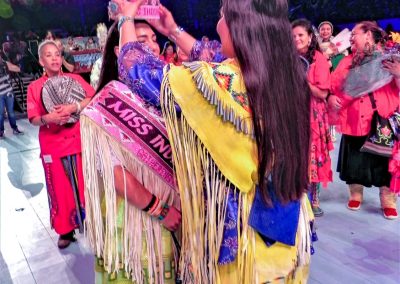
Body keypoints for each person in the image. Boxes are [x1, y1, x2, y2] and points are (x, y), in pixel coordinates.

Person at [114, 0, 314, 282]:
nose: (218, 23)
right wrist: (172, 30)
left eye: (222, 15)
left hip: (243, 233)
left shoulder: (215, 83)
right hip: (288, 214)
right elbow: (212, 54)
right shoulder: (289, 72)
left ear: (239, 27)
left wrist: (126, 19)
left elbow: (138, 74)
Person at [81, 9, 225, 281]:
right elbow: (114, 172)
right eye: (139, 38)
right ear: (119, 50)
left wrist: (172, 29)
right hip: (139, 218)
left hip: (181, 215)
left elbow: (214, 68)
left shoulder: (169, 93)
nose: (148, 44)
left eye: (153, 38)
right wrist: (159, 209)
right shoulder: (108, 101)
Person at [26, 40, 95, 248]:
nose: (55, 58)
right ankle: (65, 230)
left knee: (86, 185)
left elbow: (92, 97)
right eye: (49, 55)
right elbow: (33, 118)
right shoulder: (34, 87)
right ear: (41, 61)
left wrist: (74, 106)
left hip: (79, 141)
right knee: (59, 189)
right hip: (53, 146)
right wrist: (49, 119)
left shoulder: (75, 79)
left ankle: (91, 222)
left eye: (57, 54)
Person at [329, 21, 400, 220]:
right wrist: (330, 97)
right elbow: (335, 86)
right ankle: (355, 193)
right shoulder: (347, 61)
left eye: (355, 34)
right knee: (355, 161)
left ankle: (388, 199)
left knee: (384, 163)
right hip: (354, 119)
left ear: (368, 35)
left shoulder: (390, 57)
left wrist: (398, 74)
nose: (351, 38)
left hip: (383, 119)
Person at [292, 19, 333, 217]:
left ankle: (314, 200)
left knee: (313, 156)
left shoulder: (319, 58)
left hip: (313, 114)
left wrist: (303, 81)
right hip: (293, 112)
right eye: (293, 36)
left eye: (300, 35)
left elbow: (323, 94)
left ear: (310, 37)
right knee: (296, 154)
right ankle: (297, 195)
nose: (297, 39)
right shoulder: (288, 58)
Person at [0, 54, 23, 138]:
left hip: (8, 92)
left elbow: (17, 69)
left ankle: (15, 128)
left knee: (11, 112)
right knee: (0, 114)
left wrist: (10, 65)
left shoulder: (5, 64)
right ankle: (1, 131)